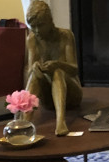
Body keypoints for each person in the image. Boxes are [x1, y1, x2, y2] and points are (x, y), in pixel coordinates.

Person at [24, 0, 83, 136]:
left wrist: (58, 64)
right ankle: (25, 121)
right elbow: (29, 74)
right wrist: (35, 67)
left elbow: (75, 69)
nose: (37, 31)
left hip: (71, 95)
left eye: (41, 25)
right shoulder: (32, 40)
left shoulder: (66, 36)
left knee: (57, 72)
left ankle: (60, 122)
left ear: (50, 21)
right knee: (34, 74)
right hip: (48, 99)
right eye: (33, 26)